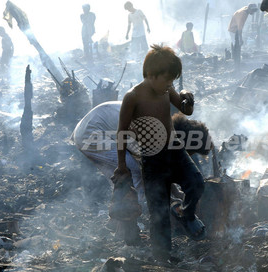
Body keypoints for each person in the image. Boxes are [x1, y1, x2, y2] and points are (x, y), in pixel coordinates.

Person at [71, 101, 212, 247]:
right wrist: (173, 199)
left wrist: (175, 194)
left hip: (93, 129)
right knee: (132, 172)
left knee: (125, 177)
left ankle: (117, 224)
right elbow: (148, 171)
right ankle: (128, 227)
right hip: (91, 133)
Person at [114, 44, 206, 262]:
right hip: (152, 159)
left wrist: (186, 96)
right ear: (151, 75)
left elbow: (185, 109)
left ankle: (187, 214)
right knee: (159, 211)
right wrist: (122, 165)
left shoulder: (165, 90)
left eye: (172, 81)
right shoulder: (133, 97)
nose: (169, 85)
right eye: (166, 79)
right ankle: (163, 256)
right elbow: (121, 132)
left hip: (175, 151)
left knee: (196, 183)